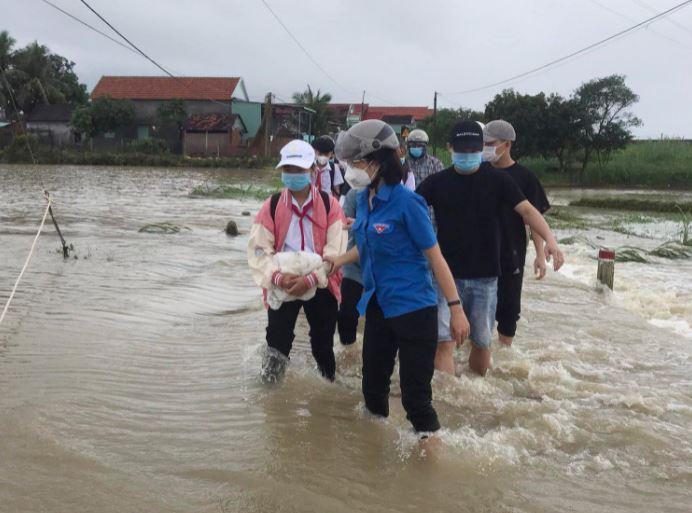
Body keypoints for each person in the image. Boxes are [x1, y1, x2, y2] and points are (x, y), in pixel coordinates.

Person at [327, 120, 470, 435]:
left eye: (357, 162)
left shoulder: (408, 203)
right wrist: (337, 261)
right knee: (372, 390)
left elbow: (436, 258)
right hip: (378, 305)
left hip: (414, 310)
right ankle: (374, 456)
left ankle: (429, 460)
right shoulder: (365, 200)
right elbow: (366, 246)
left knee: (415, 399)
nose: (352, 168)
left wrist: (456, 309)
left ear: (378, 162)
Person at [416, 120, 564, 377]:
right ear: (450, 149)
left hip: (485, 277)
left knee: (482, 342)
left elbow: (528, 210)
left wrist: (550, 242)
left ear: (481, 149)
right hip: (444, 276)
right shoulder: (436, 183)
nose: (468, 156)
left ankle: (477, 394)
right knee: (443, 342)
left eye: (474, 151)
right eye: (462, 151)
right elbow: (409, 210)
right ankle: (449, 400)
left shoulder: (499, 181)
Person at [247, 139, 347, 383]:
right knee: (276, 345)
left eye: (299, 170)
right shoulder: (270, 207)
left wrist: (312, 278)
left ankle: (328, 392)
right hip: (283, 282)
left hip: (320, 282)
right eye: (288, 170)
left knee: (322, 346)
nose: (293, 175)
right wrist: (277, 277)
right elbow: (259, 251)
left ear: (313, 171)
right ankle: (270, 400)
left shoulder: (330, 205)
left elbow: (336, 249)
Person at [483, 120, 551, 347]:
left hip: (511, 253)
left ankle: (504, 357)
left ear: (507, 144)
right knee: (477, 314)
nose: (486, 148)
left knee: (508, 314)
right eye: (484, 144)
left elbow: (534, 217)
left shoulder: (525, 178)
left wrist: (540, 254)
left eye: (490, 144)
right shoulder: (479, 173)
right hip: (480, 254)